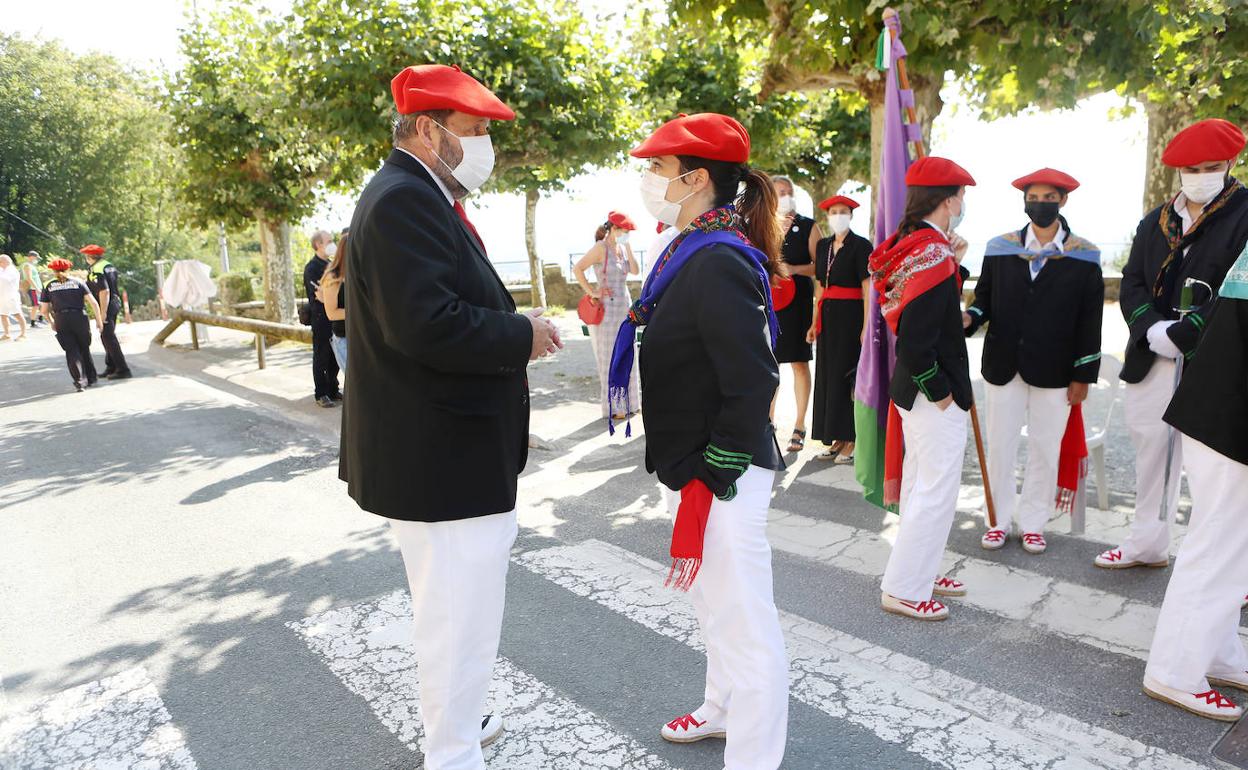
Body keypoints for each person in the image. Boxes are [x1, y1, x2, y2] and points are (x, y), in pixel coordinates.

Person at [339, 63, 560, 770]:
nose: (484, 143)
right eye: (475, 130)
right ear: (430, 129)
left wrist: (509, 322)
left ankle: (465, 718)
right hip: (444, 453)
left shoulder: (415, 192)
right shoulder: (406, 199)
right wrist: (522, 335)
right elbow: (428, 325)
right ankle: (454, 751)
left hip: (435, 448)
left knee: (449, 609)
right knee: (460, 620)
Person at [615, 112, 789, 769]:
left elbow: (751, 380)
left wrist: (713, 471)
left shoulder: (717, 258)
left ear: (695, 179)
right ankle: (720, 710)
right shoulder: (689, 245)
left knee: (746, 627)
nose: (647, 180)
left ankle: (754, 757)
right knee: (715, 612)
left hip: (723, 472)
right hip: (694, 465)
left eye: (657, 169)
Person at [1095, 118, 1248, 570]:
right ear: (1178, 171)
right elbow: (1133, 281)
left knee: (1215, 467)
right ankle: (1148, 542)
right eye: (1192, 168)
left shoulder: (1244, 215)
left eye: (1211, 167)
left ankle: (1226, 566)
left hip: (1217, 361)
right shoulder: (1155, 221)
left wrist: (1188, 332)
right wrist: (1151, 330)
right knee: (1150, 456)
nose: (1201, 175)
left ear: (1232, 163)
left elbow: (1235, 290)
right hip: (1153, 358)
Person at [963, 169, 1103, 555]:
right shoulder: (999, 247)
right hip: (1002, 365)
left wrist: (1083, 374)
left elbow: (1090, 320)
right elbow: (983, 300)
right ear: (1024, 201)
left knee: (1045, 447)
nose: (1040, 204)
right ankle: (997, 519)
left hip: (1057, 371)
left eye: (1049, 198)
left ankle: (1034, 523)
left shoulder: (1085, 254)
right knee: (1001, 446)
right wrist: (969, 318)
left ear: (1063, 201)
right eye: (1034, 197)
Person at [1142, 243, 1248, 721]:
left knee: (1232, 548)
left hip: (1220, 407)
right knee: (1219, 546)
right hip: (1230, 415)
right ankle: (1175, 671)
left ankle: (1217, 654)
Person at [873, 156, 975, 621]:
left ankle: (921, 570)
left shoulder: (916, 246)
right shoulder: (934, 255)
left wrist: (958, 261)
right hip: (932, 393)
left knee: (920, 487)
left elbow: (928, 303)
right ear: (949, 200)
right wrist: (942, 394)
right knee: (936, 491)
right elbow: (918, 340)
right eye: (961, 196)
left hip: (913, 393)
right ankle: (905, 588)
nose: (963, 204)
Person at [807, 195, 871, 463]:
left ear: (851, 215)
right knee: (828, 376)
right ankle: (835, 437)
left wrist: (866, 327)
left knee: (847, 376)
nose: (838, 215)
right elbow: (820, 287)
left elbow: (868, 289)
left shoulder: (861, 246)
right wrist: (813, 322)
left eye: (843, 211)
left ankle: (852, 438)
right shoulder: (823, 246)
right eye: (834, 211)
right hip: (828, 318)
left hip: (852, 317)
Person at [770, 175, 822, 452]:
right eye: (780, 192)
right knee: (770, 364)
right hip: (771, 303)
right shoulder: (764, 225)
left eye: (789, 191)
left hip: (799, 302)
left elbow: (823, 266)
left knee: (800, 363)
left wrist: (797, 270)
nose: (786, 195)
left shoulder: (809, 226)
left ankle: (800, 425)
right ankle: (768, 422)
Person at [572, 211, 640, 418]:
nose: (626, 234)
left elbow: (636, 271)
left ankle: (631, 403)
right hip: (608, 311)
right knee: (610, 357)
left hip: (624, 307)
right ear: (613, 229)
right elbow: (578, 268)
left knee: (628, 354)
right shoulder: (600, 248)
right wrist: (593, 291)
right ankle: (616, 407)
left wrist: (628, 246)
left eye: (628, 231)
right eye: (623, 230)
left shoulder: (620, 248)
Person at [40, 258, 104, 392]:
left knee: (71, 351)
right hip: (80, 317)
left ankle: (79, 381)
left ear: (53, 271)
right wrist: (99, 321)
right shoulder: (78, 282)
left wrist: (52, 322)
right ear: (68, 269)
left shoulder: (49, 285)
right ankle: (91, 378)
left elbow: (44, 310)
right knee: (84, 348)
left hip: (61, 319)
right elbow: (93, 303)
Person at [304, 230, 342, 408]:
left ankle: (333, 389)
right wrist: (328, 296)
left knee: (334, 356)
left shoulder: (331, 264)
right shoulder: (312, 268)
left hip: (333, 318)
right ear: (319, 244)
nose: (332, 243)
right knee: (321, 355)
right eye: (329, 241)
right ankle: (321, 393)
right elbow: (318, 296)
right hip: (320, 317)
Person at [82, 244, 132, 379]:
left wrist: (102, 312)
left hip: (107, 305)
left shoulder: (97, 269)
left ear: (89, 257)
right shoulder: (108, 265)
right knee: (106, 335)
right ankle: (111, 366)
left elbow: (104, 291)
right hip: (114, 302)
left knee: (108, 336)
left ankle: (123, 369)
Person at [316, 229, 349, 372]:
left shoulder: (355, 271)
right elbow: (332, 313)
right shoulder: (333, 276)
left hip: (358, 335)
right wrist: (359, 312)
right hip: (344, 339)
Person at [0, 255, 28, 341]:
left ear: (4, 262)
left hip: (11, 296)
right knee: (3, 315)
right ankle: (7, 334)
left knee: (18, 314)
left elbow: (5, 280)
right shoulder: (2, 270)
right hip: (3, 296)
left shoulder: (12, 270)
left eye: (0, 262)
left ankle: (23, 334)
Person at [19, 251, 45, 327]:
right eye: (36, 257)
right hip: (32, 288)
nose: (36, 259)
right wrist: (36, 288)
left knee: (41, 303)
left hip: (37, 287)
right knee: (36, 305)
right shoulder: (27, 265)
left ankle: (40, 318)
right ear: (31, 257)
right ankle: (33, 322)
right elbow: (29, 278)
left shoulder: (32, 265)